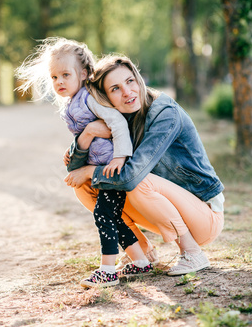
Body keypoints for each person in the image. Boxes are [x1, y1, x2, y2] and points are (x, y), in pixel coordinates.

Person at [64, 55, 225, 276]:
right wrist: (88, 134)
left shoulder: (165, 114)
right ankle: (140, 253)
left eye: (130, 81)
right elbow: (74, 171)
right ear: (105, 98)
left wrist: (89, 171)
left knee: (136, 182)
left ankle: (192, 252)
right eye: (116, 89)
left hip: (204, 216)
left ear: (138, 78)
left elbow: (130, 177)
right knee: (85, 186)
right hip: (169, 208)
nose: (128, 92)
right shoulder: (121, 119)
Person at [16, 38, 156, 288]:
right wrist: (73, 151)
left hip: (112, 168)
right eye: (54, 77)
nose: (59, 82)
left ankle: (108, 270)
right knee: (114, 216)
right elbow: (83, 135)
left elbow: (117, 122)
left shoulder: (89, 97)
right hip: (102, 168)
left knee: (104, 214)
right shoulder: (72, 102)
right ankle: (140, 262)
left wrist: (120, 157)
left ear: (82, 74)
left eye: (65, 75)